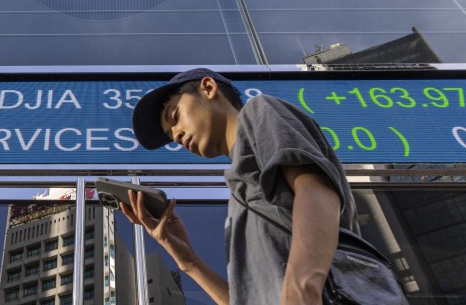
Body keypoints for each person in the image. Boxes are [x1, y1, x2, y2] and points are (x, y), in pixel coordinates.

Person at [121, 68, 359, 305]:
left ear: (208, 88)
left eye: (175, 116)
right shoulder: (237, 201)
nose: (176, 134)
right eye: (170, 133)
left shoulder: (259, 111)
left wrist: (301, 289)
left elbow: (315, 189)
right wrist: (189, 261)